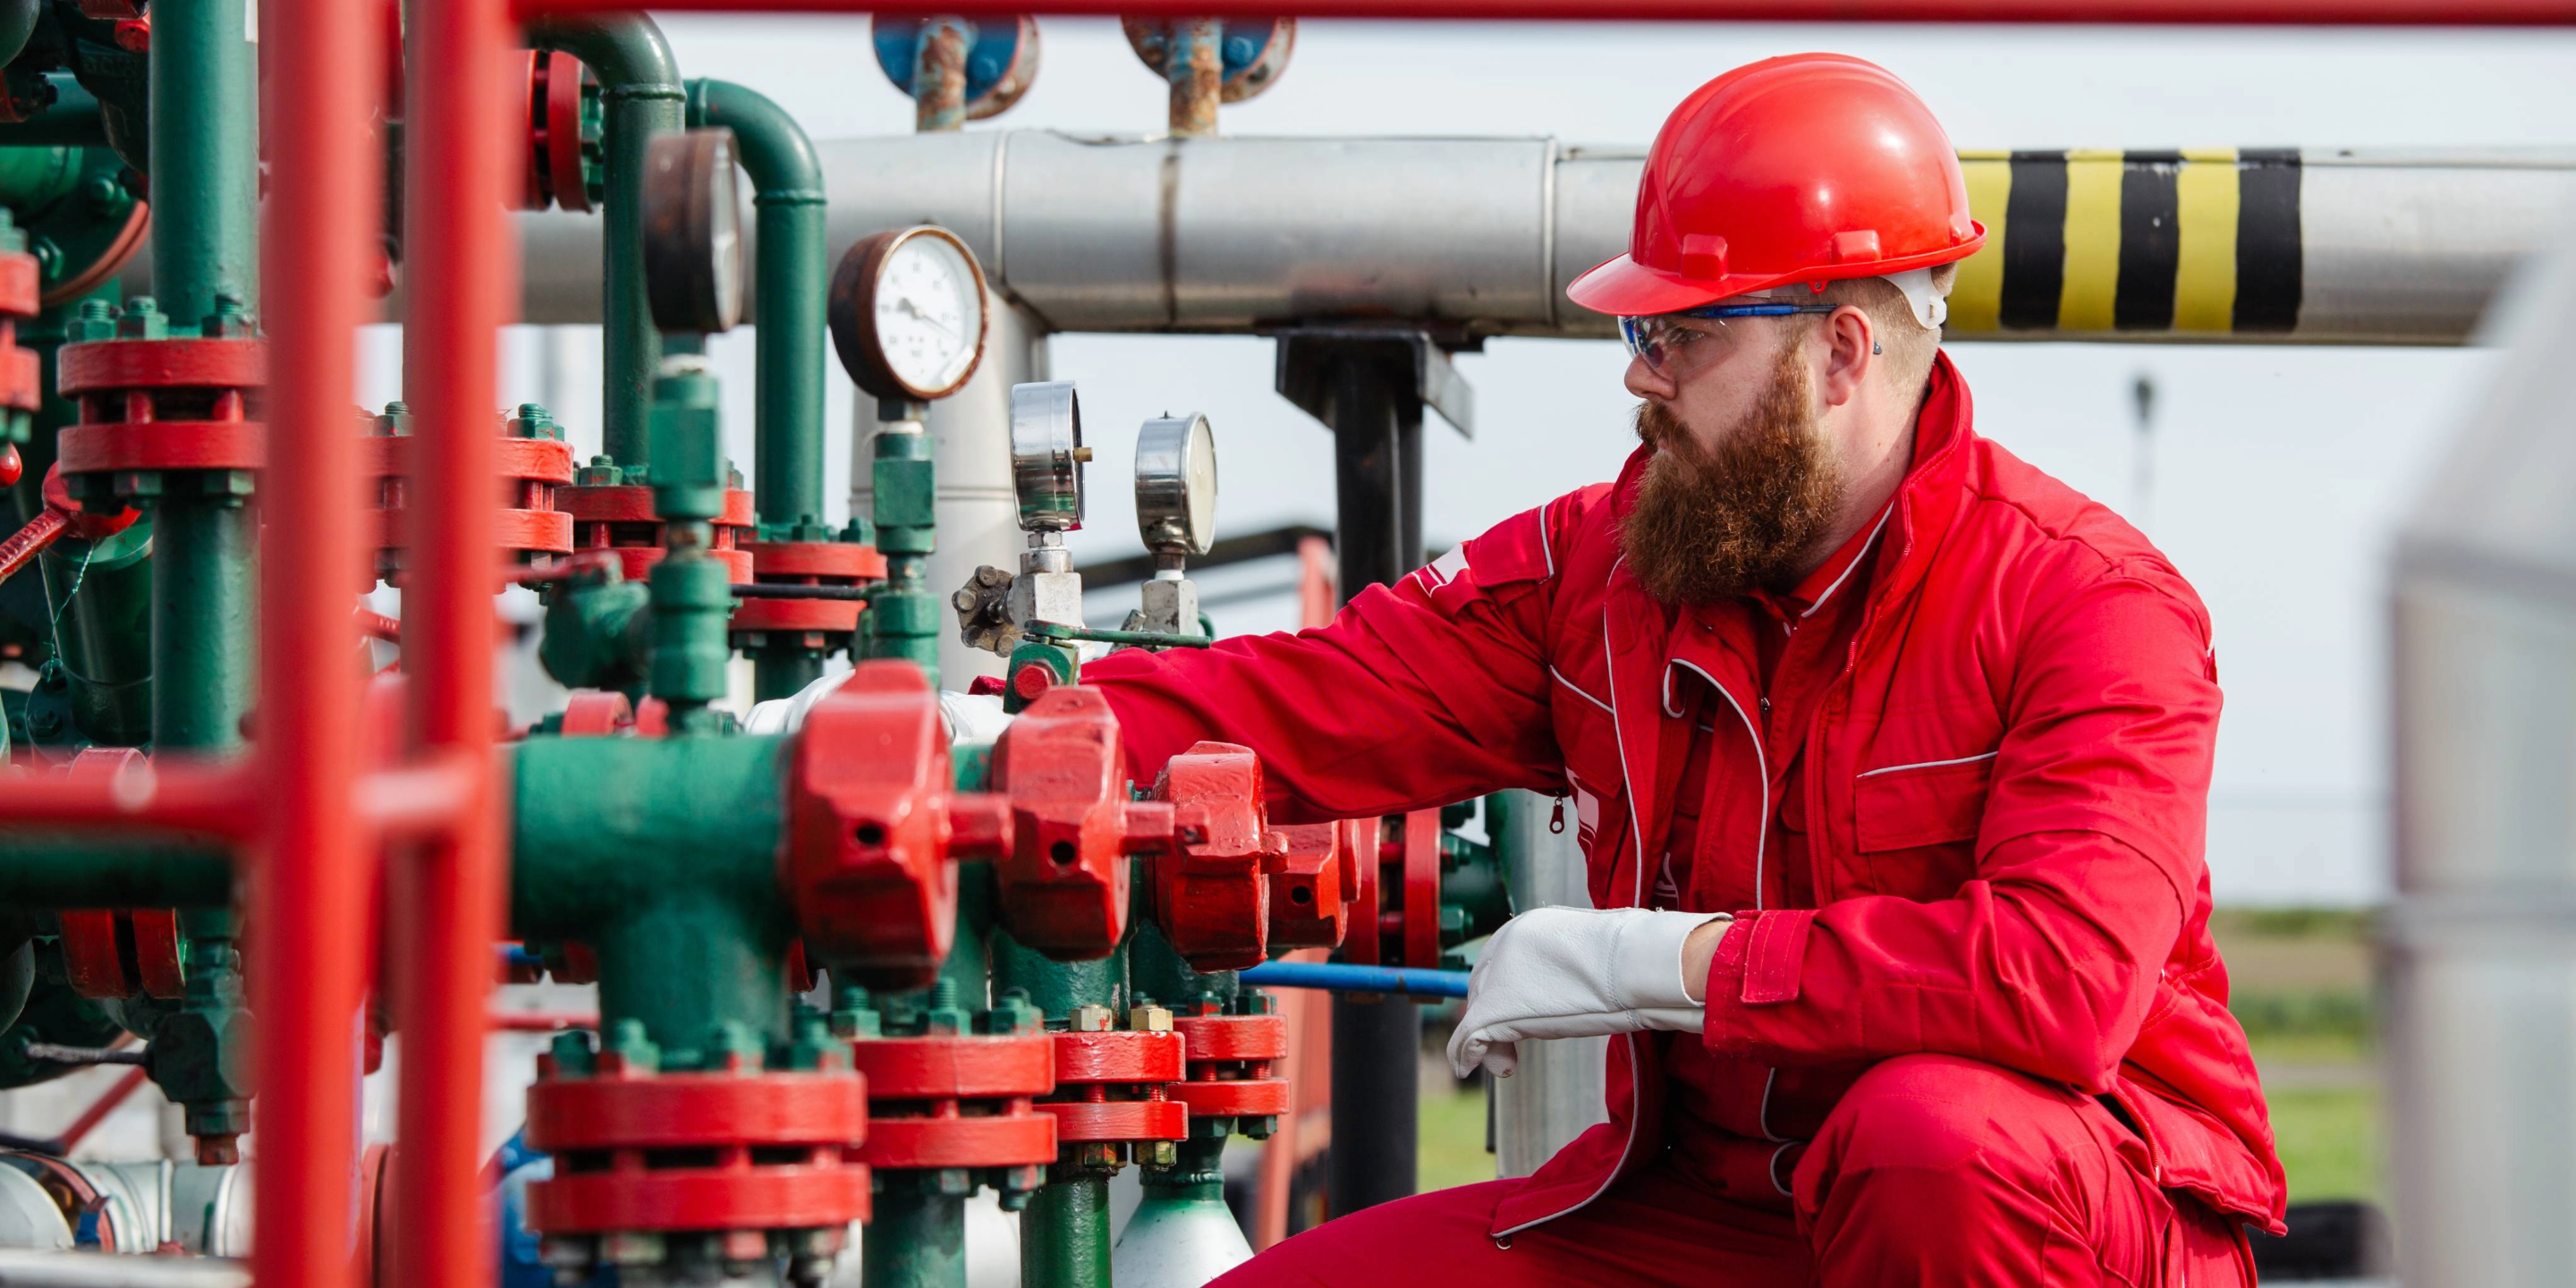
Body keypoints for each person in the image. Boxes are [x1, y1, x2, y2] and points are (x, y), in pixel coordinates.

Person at [1080, 53, 2284, 1286]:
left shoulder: (2088, 604)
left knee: (1926, 1145)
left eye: (1683, 333)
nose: (1639, 374)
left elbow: (2055, 983)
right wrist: (1018, 731)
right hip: (1717, 1209)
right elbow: (1307, 701)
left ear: (1841, 354)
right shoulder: (1608, 570)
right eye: (1637, 329)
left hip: (2054, 1211)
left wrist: (1660, 963)